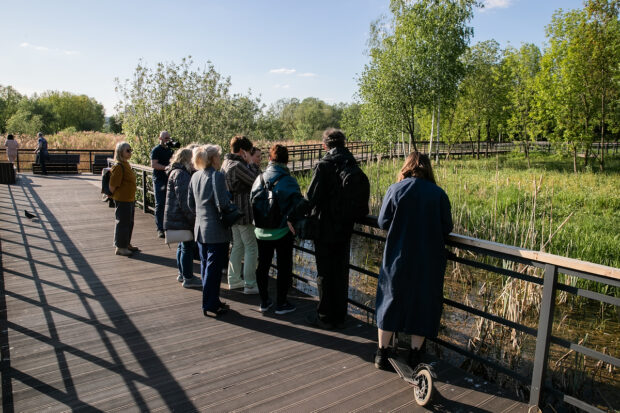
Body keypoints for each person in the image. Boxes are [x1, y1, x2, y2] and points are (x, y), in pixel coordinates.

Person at [373, 152, 453, 370]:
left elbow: (382, 221)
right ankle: (416, 354)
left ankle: (382, 353)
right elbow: (447, 227)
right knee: (424, 302)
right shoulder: (438, 194)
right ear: (428, 169)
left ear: (406, 167)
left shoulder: (395, 189)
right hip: (428, 258)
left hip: (397, 256)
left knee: (390, 299)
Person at [305, 128, 361, 329]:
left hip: (324, 228)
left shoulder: (324, 165)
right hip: (345, 227)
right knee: (341, 270)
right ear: (344, 143)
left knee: (324, 273)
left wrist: (295, 215)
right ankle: (340, 314)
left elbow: (311, 197)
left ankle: (325, 316)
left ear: (325, 145)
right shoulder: (352, 163)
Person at [251, 144, 306, 315]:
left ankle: (264, 301)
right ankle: (281, 304)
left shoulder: (259, 178)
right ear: (287, 160)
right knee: (284, 267)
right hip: (282, 231)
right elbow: (298, 204)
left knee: (263, 265)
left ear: (270, 158)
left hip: (261, 230)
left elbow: (252, 199)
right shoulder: (289, 180)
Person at [188, 144, 232, 317]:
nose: (220, 159)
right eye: (219, 156)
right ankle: (210, 304)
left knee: (206, 267)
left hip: (200, 228)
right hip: (216, 230)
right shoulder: (217, 176)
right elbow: (223, 203)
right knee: (213, 271)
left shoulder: (195, 176)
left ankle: (213, 301)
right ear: (213, 159)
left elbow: (191, 204)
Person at [221, 135, 260, 293]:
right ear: (243, 151)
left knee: (237, 245)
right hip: (243, 211)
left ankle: (234, 279)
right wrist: (251, 163)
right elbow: (257, 180)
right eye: (249, 152)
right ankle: (250, 284)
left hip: (232, 212)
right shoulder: (238, 165)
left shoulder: (225, 163)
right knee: (251, 247)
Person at [164, 146, 201, 289]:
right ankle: (188, 277)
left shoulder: (175, 172)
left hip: (175, 215)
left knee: (182, 245)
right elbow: (185, 201)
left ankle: (182, 273)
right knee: (187, 246)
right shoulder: (182, 175)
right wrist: (193, 219)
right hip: (181, 217)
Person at [108, 142, 139, 257]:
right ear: (120, 152)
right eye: (128, 150)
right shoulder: (119, 166)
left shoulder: (126, 164)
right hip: (122, 199)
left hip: (129, 198)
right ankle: (120, 247)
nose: (130, 152)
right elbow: (112, 186)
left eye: (130, 150)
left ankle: (126, 243)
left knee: (129, 222)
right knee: (122, 223)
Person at [151, 131, 174, 238]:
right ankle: (160, 228)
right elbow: (154, 164)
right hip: (159, 179)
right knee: (160, 204)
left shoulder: (170, 150)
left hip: (169, 179)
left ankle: (168, 226)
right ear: (160, 138)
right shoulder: (156, 150)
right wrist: (166, 168)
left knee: (169, 203)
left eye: (168, 138)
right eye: (165, 138)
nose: (167, 140)